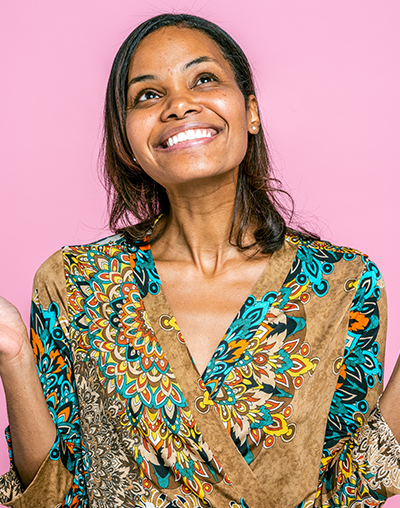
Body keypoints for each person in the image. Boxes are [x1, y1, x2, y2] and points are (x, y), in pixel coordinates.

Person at [0, 12, 399, 508]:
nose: (178, 105)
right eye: (148, 94)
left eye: (204, 79)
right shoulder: (76, 283)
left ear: (250, 112)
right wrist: (13, 354)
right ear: (126, 142)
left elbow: (354, 487)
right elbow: (56, 492)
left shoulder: (341, 283)